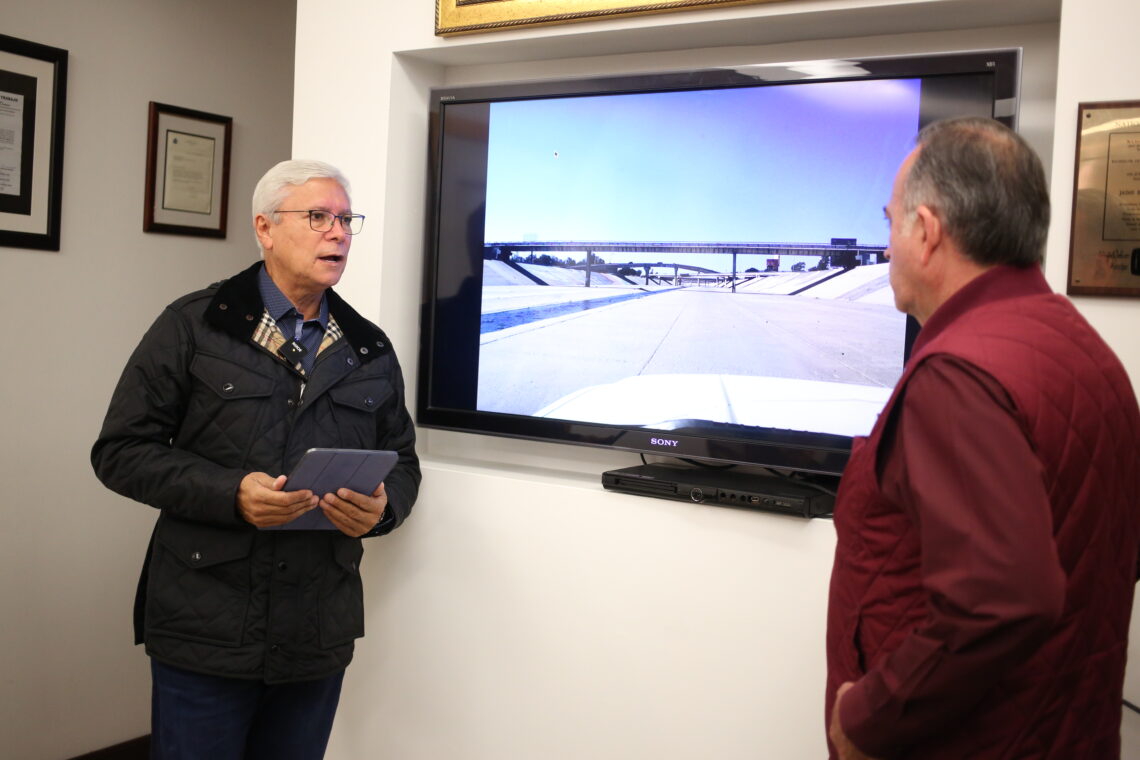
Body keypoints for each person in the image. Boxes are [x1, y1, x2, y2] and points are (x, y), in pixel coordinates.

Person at [825, 117, 1140, 759]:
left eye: (890, 223)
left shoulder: (958, 377)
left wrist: (868, 716)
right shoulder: (1086, 351)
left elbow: (1003, 598)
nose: (885, 247)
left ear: (927, 231)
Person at [92, 159, 420, 760]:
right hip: (206, 624)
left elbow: (402, 462)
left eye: (347, 220)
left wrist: (382, 508)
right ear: (265, 229)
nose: (338, 232)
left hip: (316, 630)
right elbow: (121, 451)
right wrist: (230, 493)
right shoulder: (193, 325)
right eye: (318, 216)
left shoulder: (370, 347)